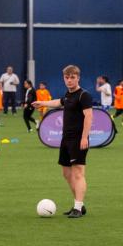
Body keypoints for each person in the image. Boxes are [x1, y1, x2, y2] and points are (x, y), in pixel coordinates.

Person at [32, 64, 93, 218]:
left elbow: (89, 117)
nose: (69, 80)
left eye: (72, 77)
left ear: (78, 78)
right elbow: (59, 102)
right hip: (66, 139)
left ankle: (78, 208)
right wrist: (43, 103)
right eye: (67, 77)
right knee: (66, 173)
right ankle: (80, 205)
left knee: (78, 173)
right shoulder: (68, 95)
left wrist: (84, 137)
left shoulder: (83, 95)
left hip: (78, 139)